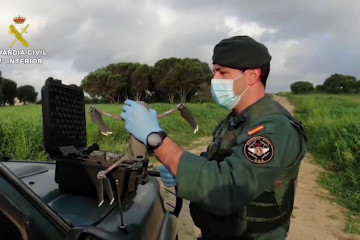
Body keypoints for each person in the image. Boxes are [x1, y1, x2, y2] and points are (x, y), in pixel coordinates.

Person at [121, 35, 308, 240]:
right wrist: (180, 169)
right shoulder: (238, 118)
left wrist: (155, 138)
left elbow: (227, 188)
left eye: (223, 72)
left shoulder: (273, 129)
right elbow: (222, 162)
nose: (215, 80)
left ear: (252, 76)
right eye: (214, 71)